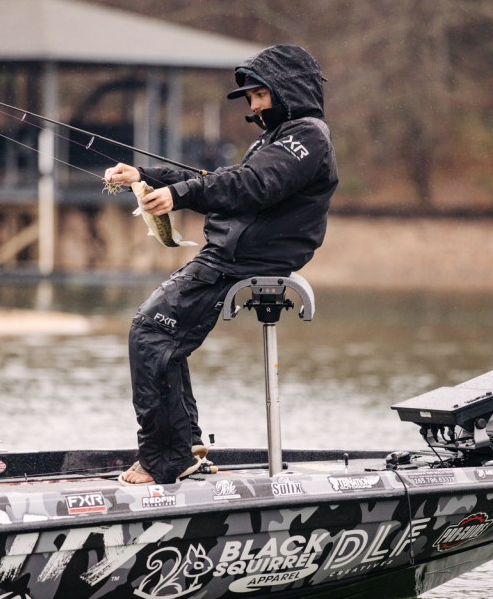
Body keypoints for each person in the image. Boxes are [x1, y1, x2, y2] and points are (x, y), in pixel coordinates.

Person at [103, 44, 338, 485]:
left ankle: (166, 459)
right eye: (250, 98)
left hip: (243, 260)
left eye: (260, 95)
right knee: (159, 335)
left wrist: (180, 195)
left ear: (287, 90)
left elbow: (251, 185)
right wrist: (145, 177)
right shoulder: (278, 139)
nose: (254, 107)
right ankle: (183, 447)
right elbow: (223, 181)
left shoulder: (305, 137)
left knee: (151, 333)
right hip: (230, 256)